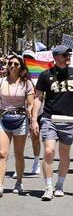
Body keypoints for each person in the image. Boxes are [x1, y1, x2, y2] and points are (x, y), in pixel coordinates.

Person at [31, 45, 73, 200]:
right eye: (64, 54)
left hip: (69, 119)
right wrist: (34, 119)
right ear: (56, 57)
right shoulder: (45, 75)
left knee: (64, 154)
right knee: (48, 151)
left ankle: (59, 185)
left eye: (68, 53)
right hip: (50, 118)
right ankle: (48, 188)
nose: (68, 56)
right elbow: (38, 97)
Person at [0, 55, 35, 196]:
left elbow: (31, 103)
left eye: (16, 64)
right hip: (3, 119)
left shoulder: (26, 84)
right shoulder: (1, 81)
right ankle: (0, 185)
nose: (12, 66)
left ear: (21, 67)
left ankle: (19, 182)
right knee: (2, 153)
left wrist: (31, 115)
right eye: (10, 63)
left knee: (19, 154)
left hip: (20, 120)